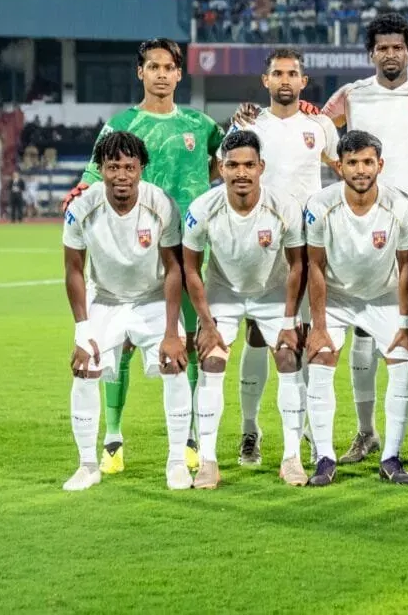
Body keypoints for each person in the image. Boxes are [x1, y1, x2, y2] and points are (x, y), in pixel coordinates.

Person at [64, 38, 225, 477]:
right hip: (127, 244)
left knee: (185, 343)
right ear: (141, 73)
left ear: (178, 74)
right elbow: (95, 174)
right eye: (151, 66)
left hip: (187, 245)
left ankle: (189, 439)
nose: (159, 73)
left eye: (167, 67)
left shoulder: (200, 123)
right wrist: (79, 190)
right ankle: (113, 438)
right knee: (121, 346)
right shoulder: (121, 123)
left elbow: (219, 163)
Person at [320, 13, 408, 465]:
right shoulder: (352, 96)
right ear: (372, 53)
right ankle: (366, 432)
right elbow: (317, 130)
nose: (390, 53)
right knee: (364, 329)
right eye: (382, 47)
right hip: (368, 220)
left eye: (398, 46)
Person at [226, 48, 340, 467]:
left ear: (304, 82)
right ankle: (250, 430)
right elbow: (225, 172)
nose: (286, 80)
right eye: (278, 73)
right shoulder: (248, 125)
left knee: (308, 338)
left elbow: (344, 169)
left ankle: (310, 430)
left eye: (293, 73)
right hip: (260, 245)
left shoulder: (320, 125)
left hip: (308, 246)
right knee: (257, 336)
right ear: (266, 81)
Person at [61, 131, 192, 492]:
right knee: (84, 368)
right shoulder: (81, 208)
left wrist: (170, 332)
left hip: (151, 298)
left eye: (129, 167)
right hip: (104, 299)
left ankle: (177, 462)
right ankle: (88, 464)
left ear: (141, 169)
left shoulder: (161, 203)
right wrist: (82, 330)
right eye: (112, 166)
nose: (121, 175)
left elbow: (173, 268)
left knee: (175, 363)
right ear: (100, 169)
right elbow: (73, 269)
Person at [181, 131, 309, 489]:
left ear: (261, 168)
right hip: (223, 292)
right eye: (233, 165)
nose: (241, 173)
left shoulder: (284, 206)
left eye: (249, 165)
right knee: (212, 360)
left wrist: (288, 321)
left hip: (272, 292)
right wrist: (206, 324)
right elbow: (191, 268)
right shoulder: (202, 210)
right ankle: (207, 461)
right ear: (221, 168)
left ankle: (291, 458)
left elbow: (298, 265)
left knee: (287, 359)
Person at [302, 130, 408, 487]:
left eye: (368, 161)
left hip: (383, 297)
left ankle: (391, 457)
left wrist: (404, 322)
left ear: (379, 164)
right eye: (352, 162)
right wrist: (318, 326)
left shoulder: (400, 205)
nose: (361, 170)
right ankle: (324, 457)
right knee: (321, 360)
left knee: (402, 364)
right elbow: (315, 268)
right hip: (336, 298)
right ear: (339, 166)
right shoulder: (320, 205)